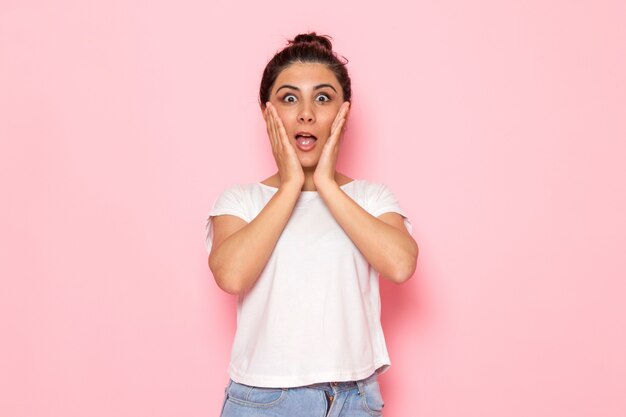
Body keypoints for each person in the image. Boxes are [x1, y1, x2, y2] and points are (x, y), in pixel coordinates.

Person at [205, 32, 418, 417]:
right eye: (289, 98)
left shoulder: (371, 197)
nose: (306, 113)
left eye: (323, 98)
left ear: (343, 113)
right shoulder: (241, 201)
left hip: (354, 400)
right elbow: (232, 276)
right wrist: (290, 186)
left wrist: (324, 184)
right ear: (267, 112)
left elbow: (401, 265)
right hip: (266, 401)